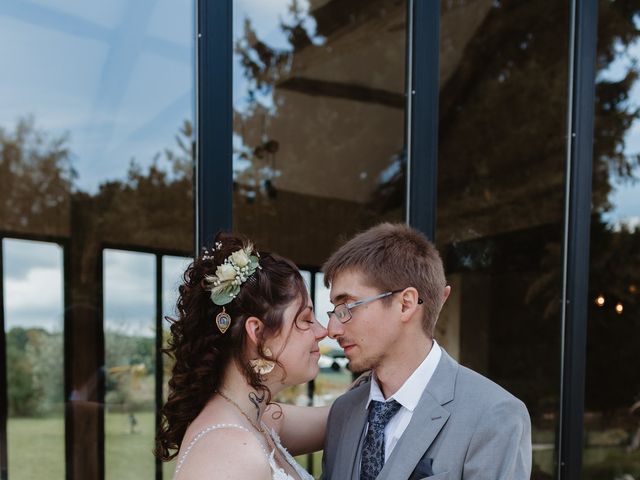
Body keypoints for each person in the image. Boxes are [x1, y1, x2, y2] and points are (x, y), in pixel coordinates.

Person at [320, 223, 532, 480]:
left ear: (405, 304)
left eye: (347, 307)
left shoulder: (493, 415)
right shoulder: (344, 411)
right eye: (334, 310)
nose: (332, 329)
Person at [155, 232, 328, 480]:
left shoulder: (260, 418)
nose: (322, 332)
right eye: (305, 319)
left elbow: (343, 416)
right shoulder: (231, 454)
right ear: (257, 332)